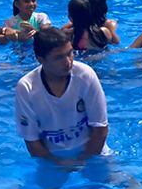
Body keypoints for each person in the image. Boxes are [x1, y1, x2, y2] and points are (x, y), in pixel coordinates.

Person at [15, 27, 109, 165]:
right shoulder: (26, 88)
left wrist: (82, 161)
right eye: (59, 57)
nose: (68, 62)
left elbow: (100, 129)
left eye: (70, 53)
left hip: (93, 152)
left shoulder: (85, 75)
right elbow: (32, 141)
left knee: (127, 184)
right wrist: (58, 164)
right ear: (41, 59)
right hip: (51, 158)